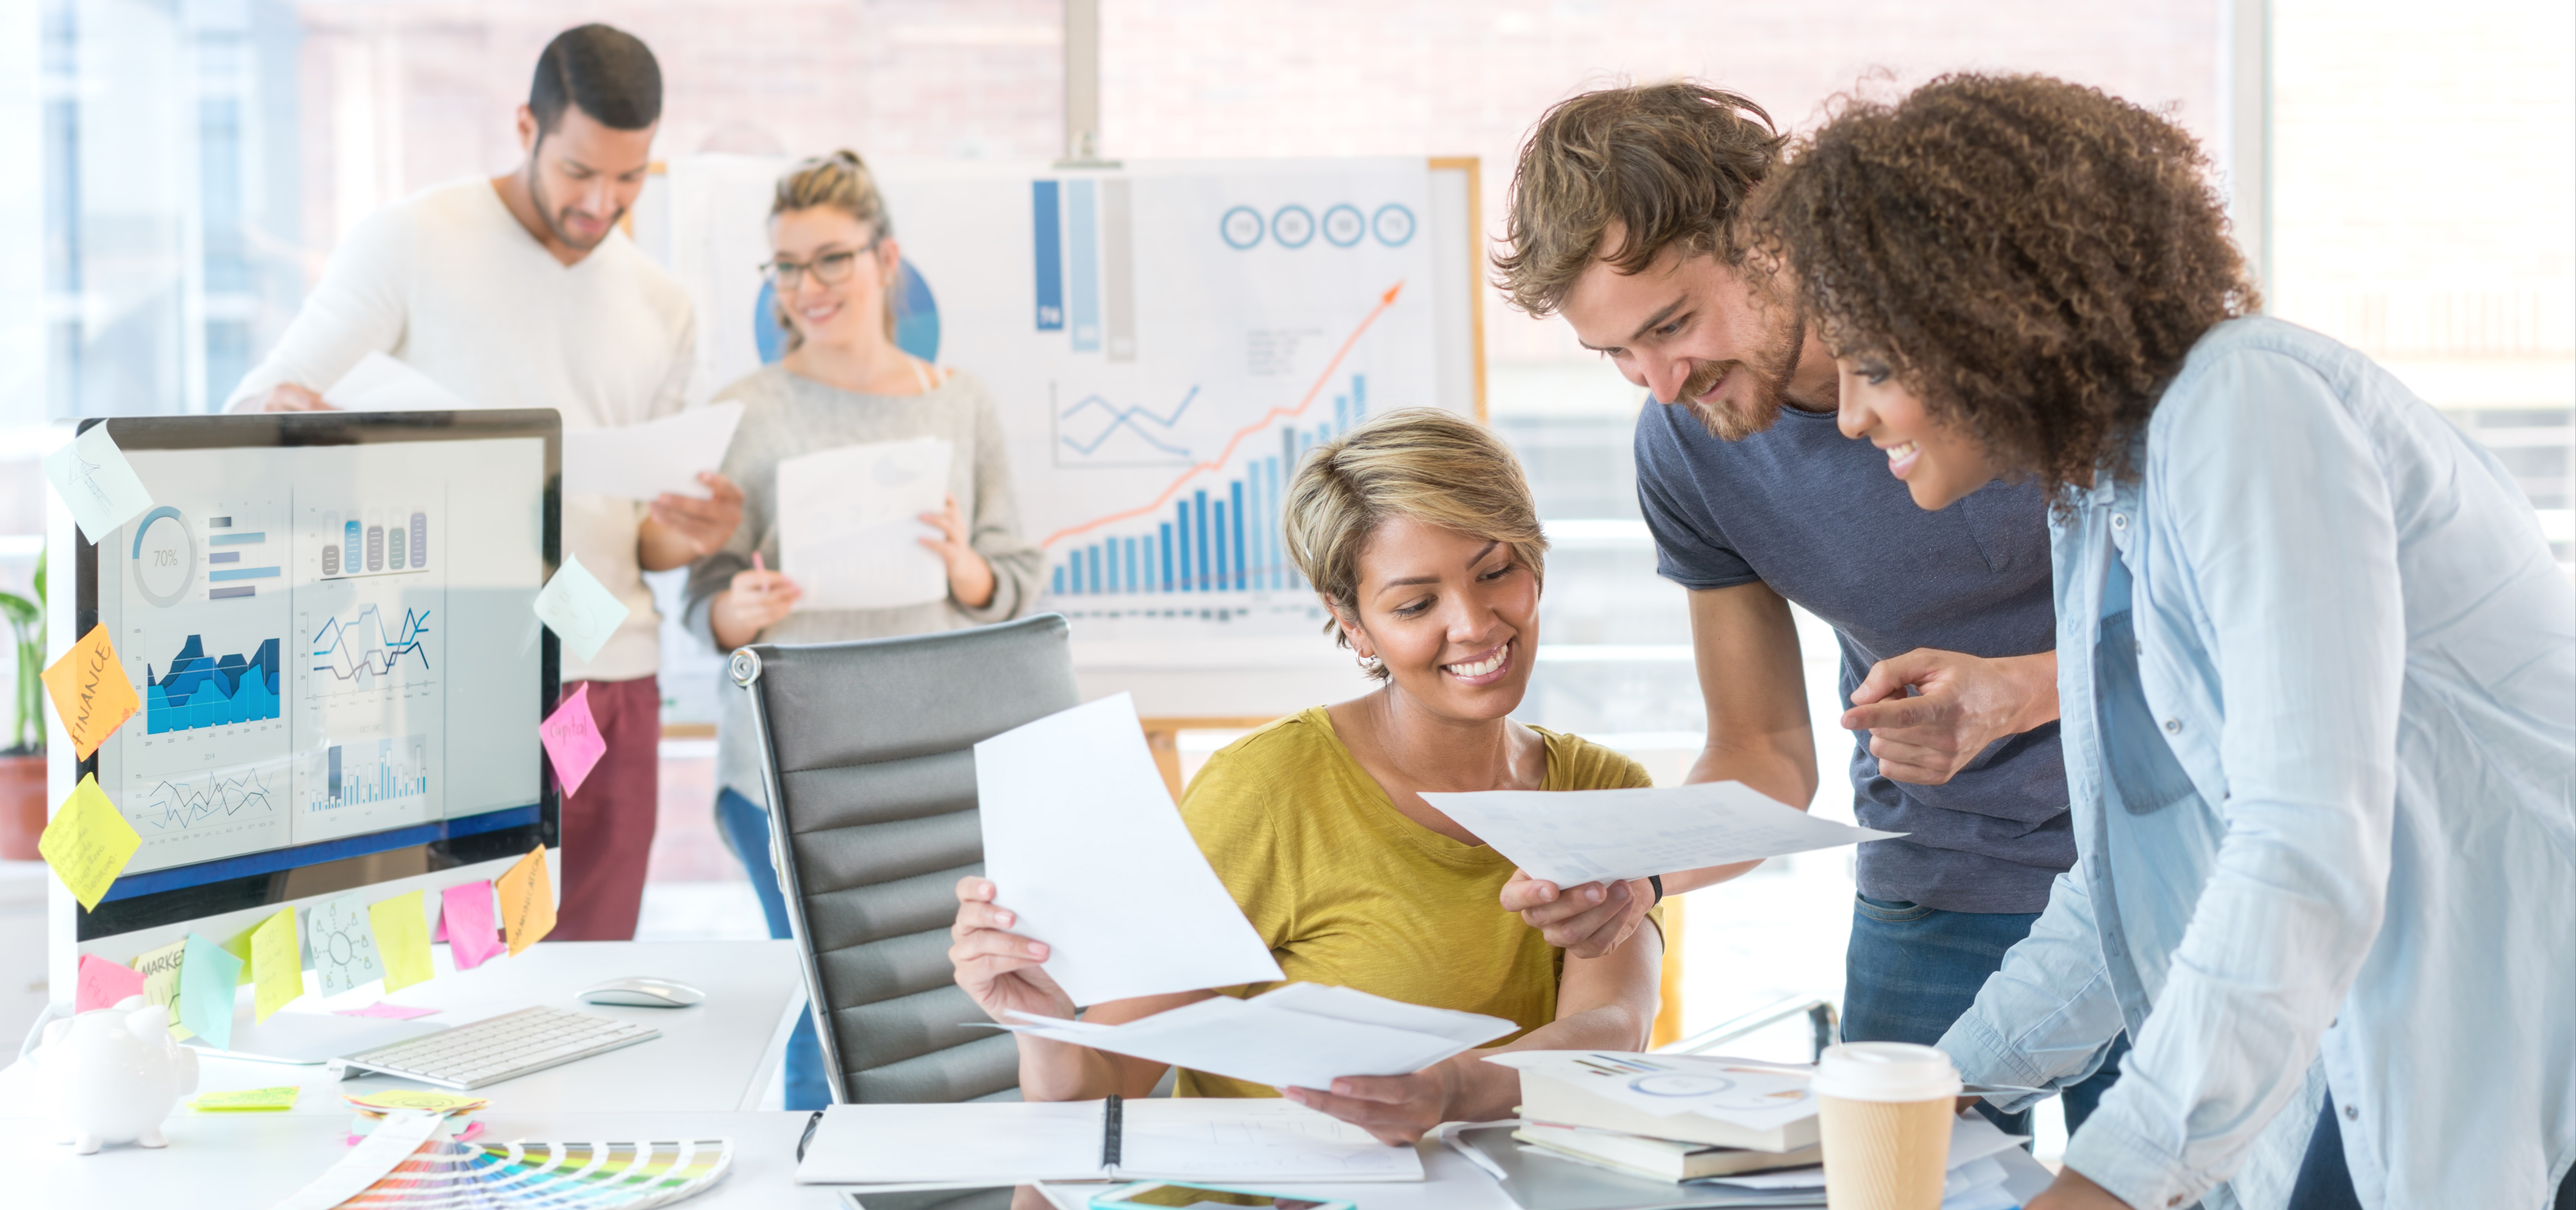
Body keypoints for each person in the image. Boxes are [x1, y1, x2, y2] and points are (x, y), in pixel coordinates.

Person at [1745, 72, 2576, 1210]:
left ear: (1985, 318)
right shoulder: (2102, 499)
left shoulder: (2249, 408)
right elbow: (2128, 879)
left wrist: (2107, 1181)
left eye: (1875, 367)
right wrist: (1947, 1085)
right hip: (2388, 1034)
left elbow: (2301, 845)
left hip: (2518, 1027)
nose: (1847, 416)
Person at [1488, 81, 2121, 1135]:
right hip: (1937, 884)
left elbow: (2238, 638)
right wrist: (1635, 876)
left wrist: (2019, 693)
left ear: (1773, 237)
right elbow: (1763, 748)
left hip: (2160, 858)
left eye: (1672, 324)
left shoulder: (2003, 340)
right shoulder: (1685, 447)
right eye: (1616, 355)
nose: (1659, 381)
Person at [948, 409, 1666, 1142]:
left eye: (1496, 571)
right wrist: (1039, 1026)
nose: (1475, 622)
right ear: (1353, 622)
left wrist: (1454, 1087)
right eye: (1416, 603)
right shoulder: (1268, 791)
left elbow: (1612, 1027)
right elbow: (1104, 1085)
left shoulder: (1604, 786)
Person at [224, 25, 739, 941]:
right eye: (581, 170)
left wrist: (686, 532)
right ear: (524, 126)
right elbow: (255, 405)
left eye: (630, 178)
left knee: (588, 969)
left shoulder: (665, 303)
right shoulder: (413, 241)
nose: (603, 202)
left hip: (607, 678)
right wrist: (298, 414)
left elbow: (639, 534)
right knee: (449, 976)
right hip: (444, 676)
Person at [681, 150, 1044, 1110]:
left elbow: (1014, 579)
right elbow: (702, 599)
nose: (809, 288)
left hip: (924, 765)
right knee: (823, 1014)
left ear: (885, 260)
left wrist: (963, 565)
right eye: (787, 268)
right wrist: (738, 612)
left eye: (831, 260)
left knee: (941, 1011)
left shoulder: (958, 401)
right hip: (783, 765)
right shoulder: (741, 412)